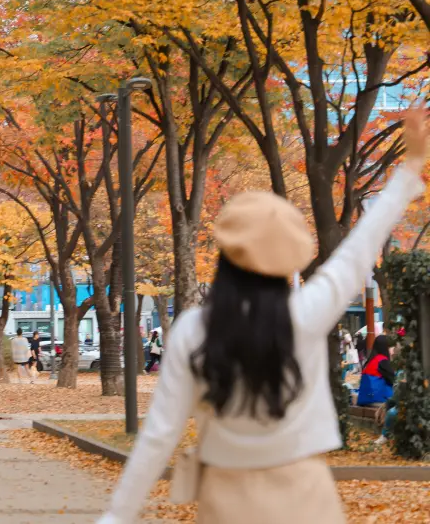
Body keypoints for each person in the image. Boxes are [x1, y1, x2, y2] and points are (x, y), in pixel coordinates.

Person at [96, 107, 428, 524]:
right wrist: (409, 167)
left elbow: (160, 435)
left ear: (226, 254)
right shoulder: (307, 313)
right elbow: (358, 250)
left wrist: (116, 517)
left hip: (227, 498)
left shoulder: (194, 330)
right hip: (305, 496)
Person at [357, 335, 395, 406]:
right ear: (385, 348)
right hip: (377, 399)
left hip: (363, 399)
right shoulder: (382, 360)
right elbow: (393, 379)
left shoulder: (370, 361)